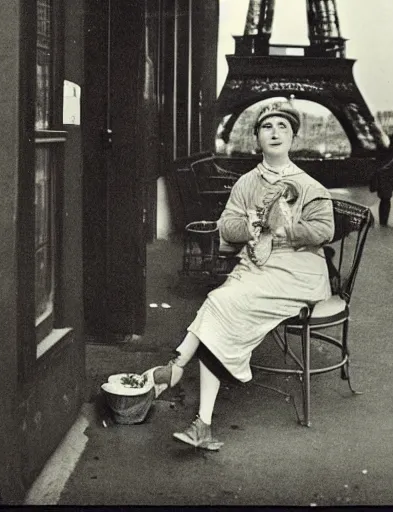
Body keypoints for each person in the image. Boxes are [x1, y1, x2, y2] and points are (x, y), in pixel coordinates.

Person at [143, 101, 335, 450]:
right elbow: (226, 228)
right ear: (257, 138)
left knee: (219, 301)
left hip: (298, 271)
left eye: (282, 127)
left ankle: (177, 368)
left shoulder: (309, 185)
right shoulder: (247, 183)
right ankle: (201, 420)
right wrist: (252, 224)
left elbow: (325, 229)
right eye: (267, 127)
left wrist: (287, 229)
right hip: (256, 267)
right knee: (220, 305)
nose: (275, 132)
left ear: (293, 137)